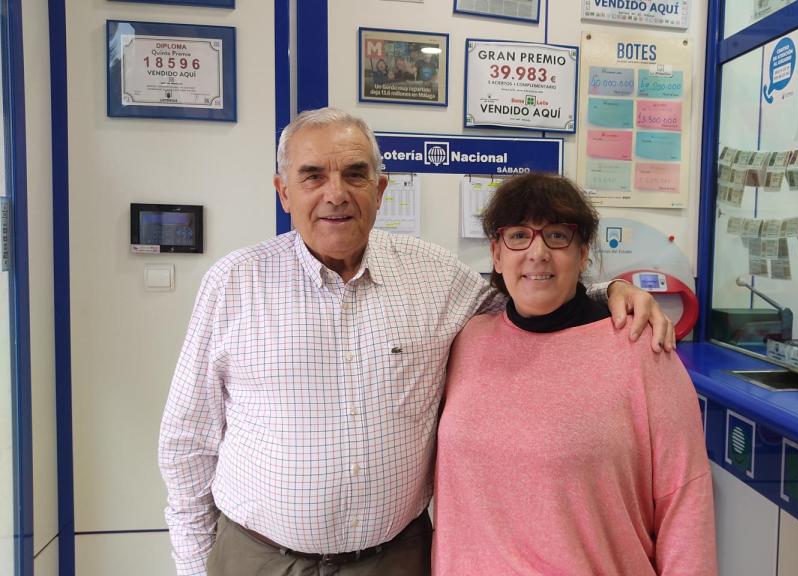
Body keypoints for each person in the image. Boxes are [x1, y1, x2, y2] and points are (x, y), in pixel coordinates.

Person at [158, 108, 674, 576]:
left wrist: (611, 291)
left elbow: (530, 300)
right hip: (259, 558)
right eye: (313, 175)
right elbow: (186, 446)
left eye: (355, 174)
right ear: (283, 192)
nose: (335, 193)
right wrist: (192, 567)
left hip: (396, 560)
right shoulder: (234, 283)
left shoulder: (433, 276)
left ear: (380, 190)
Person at [432, 173, 716, 575]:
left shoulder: (641, 348)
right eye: (518, 236)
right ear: (496, 254)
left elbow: (685, 499)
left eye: (558, 236)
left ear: (583, 253)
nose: (537, 253)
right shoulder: (468, 340)